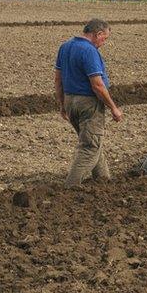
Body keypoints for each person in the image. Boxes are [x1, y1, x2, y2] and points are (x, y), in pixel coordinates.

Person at [54, 19, 124, 188]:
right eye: (104, 38)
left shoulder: (65, 47)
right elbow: (97, 85)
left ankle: (103, 180)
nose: (104, 42)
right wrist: (113, 107)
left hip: (71, 101)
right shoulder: (89, 51)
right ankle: (71, 185)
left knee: (91, 140)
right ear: (98, 34)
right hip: (88, 103)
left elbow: (58, 79)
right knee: (90, 146)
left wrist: (63, 104)